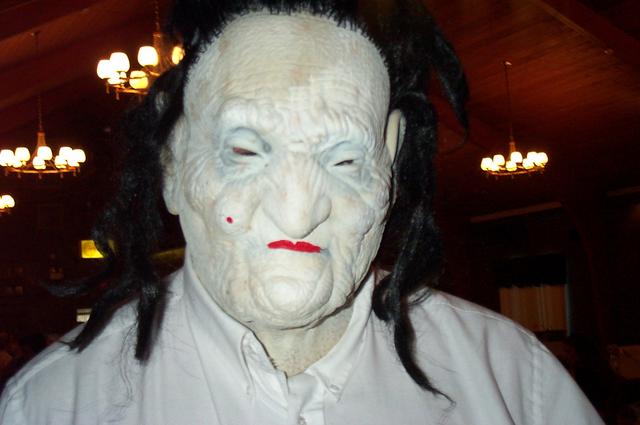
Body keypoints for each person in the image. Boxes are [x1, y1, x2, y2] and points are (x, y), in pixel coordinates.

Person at [0, 0, 603, 423]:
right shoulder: (52, 406)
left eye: (345, 161)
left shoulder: (513, 386)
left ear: (391, 164)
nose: (296, 215)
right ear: (175, 162)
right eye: (244, 151)